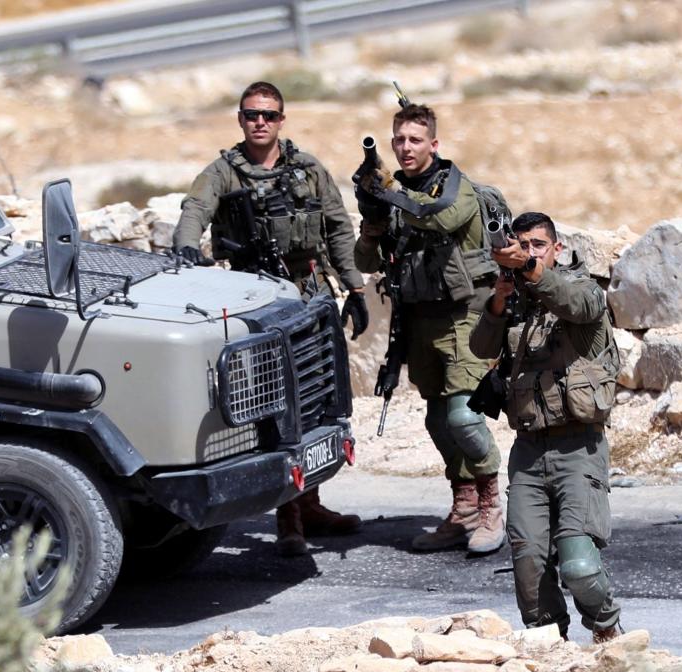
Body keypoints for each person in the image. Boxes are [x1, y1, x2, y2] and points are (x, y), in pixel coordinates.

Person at [173, 81, 367, 557]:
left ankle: (312, 502)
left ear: (282, 119)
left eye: (269, 114)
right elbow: (195, 210)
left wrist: (354, 285)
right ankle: (290, 515)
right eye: (251, 114)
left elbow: (338, 225)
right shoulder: (224, 172)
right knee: (278, 405)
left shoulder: (307, 169)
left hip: (309, 295)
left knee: (321, 397)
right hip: (256, 300)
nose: (260, 122)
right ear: (240, 119)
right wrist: (183, 248)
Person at [353, 102, 505, 555]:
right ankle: (463, 510)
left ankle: (493, 503)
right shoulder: (397, 196)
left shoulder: (454, 188)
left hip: (465, 318)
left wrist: (390, 194)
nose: (405, 148)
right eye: (398, 140)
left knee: (464, 415)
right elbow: (366, 262)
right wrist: (373, 221)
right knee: (438, 420)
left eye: (415, 140)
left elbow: (440, 216)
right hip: (420, 321)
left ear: (433, 144)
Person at [469, 211, 623, 642]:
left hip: (579, 448)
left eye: (538, 245)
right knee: (529, 565)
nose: (529, 252)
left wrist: (529, 269)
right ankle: (549, 654)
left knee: (578, 565)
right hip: (528, 451)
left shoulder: (582, 290)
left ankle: (608, 631)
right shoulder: (516, 302)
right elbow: (480, 346)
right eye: (522, 245)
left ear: (556, 249)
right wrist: (498, 302)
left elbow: (578, 305)